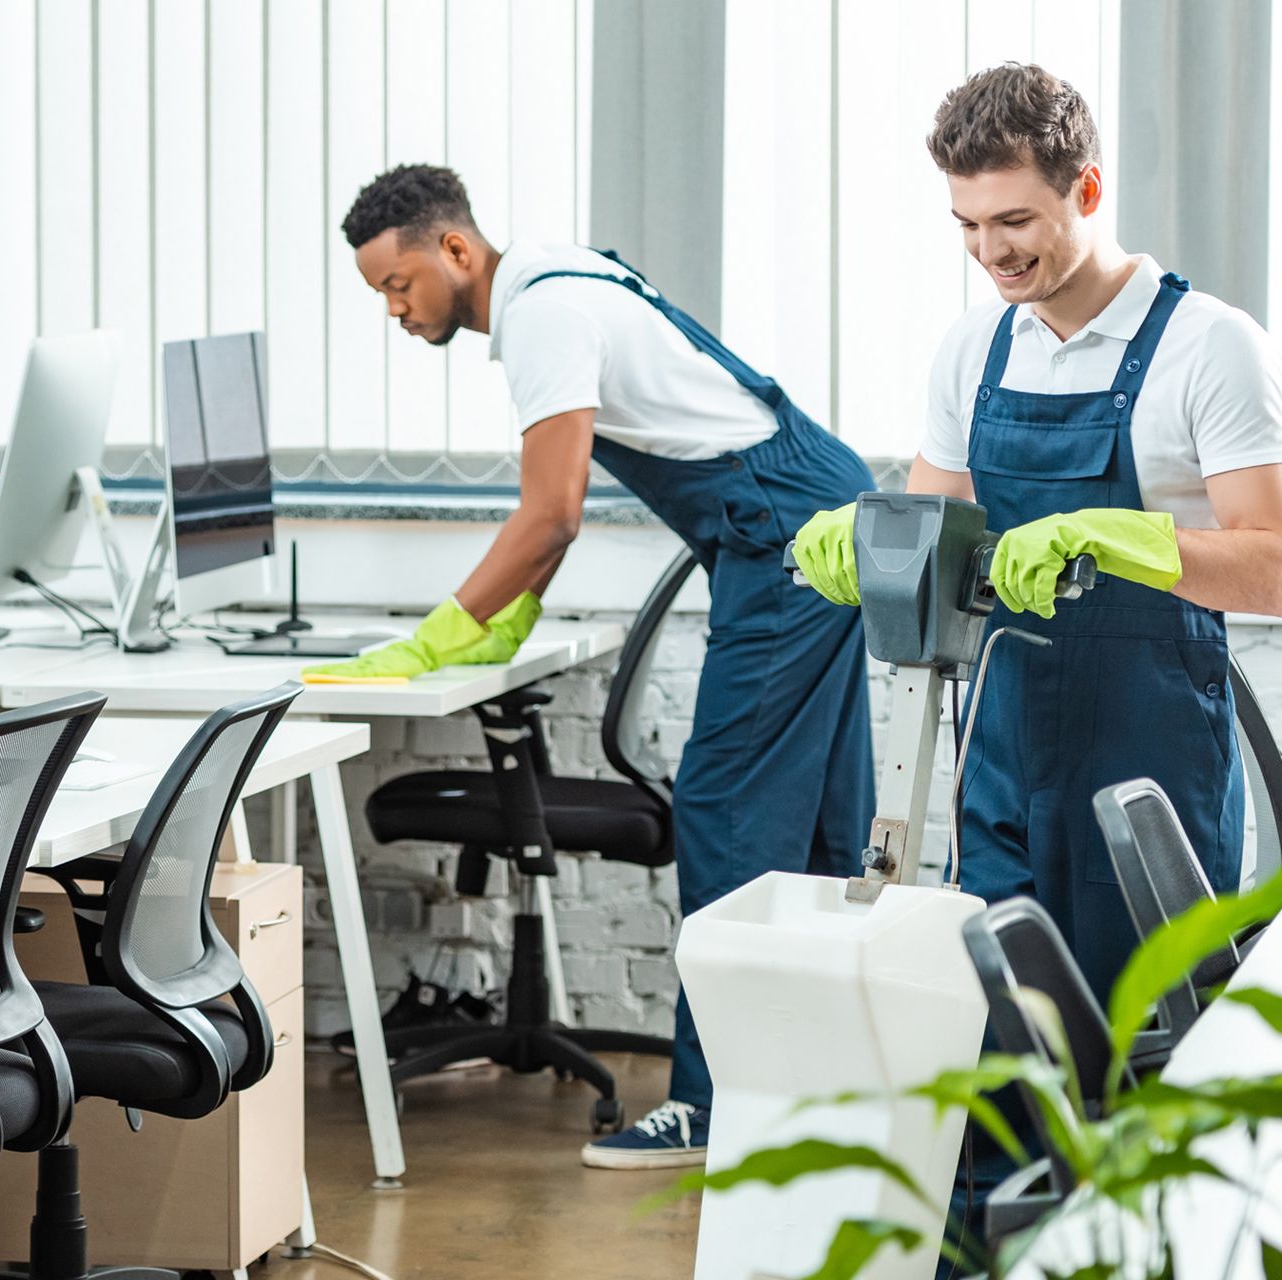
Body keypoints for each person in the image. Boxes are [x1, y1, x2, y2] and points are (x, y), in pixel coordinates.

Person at [793, 61, 1282, 1233]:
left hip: (1147, 756)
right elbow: (936, 534)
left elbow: (1278, 569)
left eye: (1016, 220)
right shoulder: (975, 351)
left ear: (1087, 188)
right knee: (996, 1033)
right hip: (1002, 733)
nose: (993, 252)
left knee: (1129, 1043)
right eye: (969, 226)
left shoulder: (1209, 347)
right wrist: (866, 536)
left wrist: (1126, 536)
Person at [314, 165, 877, 1169]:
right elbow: (557, 514)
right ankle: (830, 1085)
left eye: (398, 284)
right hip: (812, 505)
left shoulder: (541, 317)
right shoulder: (559, 277)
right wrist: (508, 615)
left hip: (785, 534)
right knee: (825, 818)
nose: (395, 310)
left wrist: (439, 635)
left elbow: (552, 512)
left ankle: (715, 1106)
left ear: (455, 250)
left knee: (728, 811)